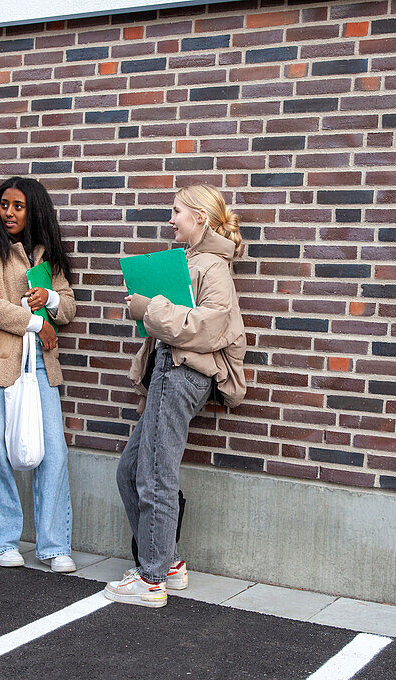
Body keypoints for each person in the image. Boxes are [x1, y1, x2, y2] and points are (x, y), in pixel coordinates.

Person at [105, 184, 247, 608]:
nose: (170, 219)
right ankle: (167, 564)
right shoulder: (188, 261)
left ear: (200, 217)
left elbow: (209, 326)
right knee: (131, 471)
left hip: (183, 373)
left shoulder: (214, 266)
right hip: (168, 371)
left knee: (155, 474)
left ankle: (151, 580)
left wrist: (149, 309)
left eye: (177, 211)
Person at [0, 177, 77, 572]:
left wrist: (53, 298)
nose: (8, 213)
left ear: (35, 211)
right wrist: (34, 321)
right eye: (4, 204)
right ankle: (0, 540)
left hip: (41, 368)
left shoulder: (48, 254)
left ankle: (54, 545)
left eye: (18, 206)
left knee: (55, 454)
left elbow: (68, 310)